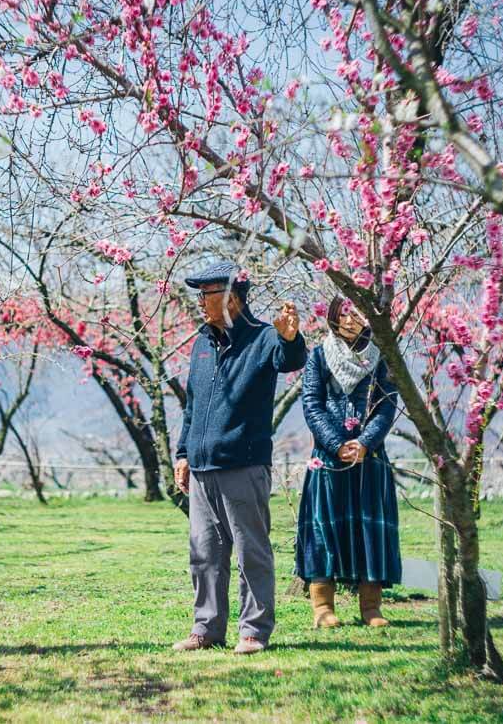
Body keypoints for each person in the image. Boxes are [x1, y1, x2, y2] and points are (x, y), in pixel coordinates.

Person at [172, 261, 306, 655]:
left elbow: (290, 360)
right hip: (200, 468)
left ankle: (253, 631)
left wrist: (291, 338)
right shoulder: (201, 344)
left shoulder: (264, 338)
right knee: (205, 555)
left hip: (243, 464)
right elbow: (192, 407)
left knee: (252, 553)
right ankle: (207, 629)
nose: (199, 303)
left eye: (206, 295)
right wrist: (182, 453)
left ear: (231, 297)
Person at [295, 295, 402, 628]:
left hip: (369, 459)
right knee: (323, 530)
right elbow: (311, 403)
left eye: (358, 312)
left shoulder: (382, 356)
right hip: (328, 459)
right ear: (333, 317)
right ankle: (323, 608)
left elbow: (388, 405)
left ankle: (371, 607)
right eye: (345, 312)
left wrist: (366, 443)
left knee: (369, 528)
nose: (351, 318)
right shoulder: (319, 356)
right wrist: (336, 444)